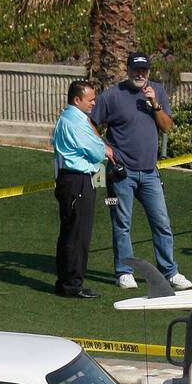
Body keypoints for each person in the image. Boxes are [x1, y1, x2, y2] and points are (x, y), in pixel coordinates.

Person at [91, 51, 192, 292]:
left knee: (162, 223)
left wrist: (155, 105)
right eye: (136, 70)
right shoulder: (112, 96)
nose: (140, 74)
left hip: (149, 173)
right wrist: (103, 146)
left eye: (143, 70)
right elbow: (91, 122)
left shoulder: (157, 91)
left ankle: (170, 271)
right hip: (121, 173)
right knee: (122, 223)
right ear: (127, 70)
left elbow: (167, 127)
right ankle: (124, 272)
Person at [51, 79, 114, 300]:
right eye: (90, 99)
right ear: (77, 100)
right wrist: (102, 148)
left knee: (70, 232)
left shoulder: (67, 118)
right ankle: (72, 285)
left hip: (70, 180)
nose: (94, 103)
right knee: (78, 235)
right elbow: (97, 151)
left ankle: (66, 282)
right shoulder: (76, 122)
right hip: (78, 181)